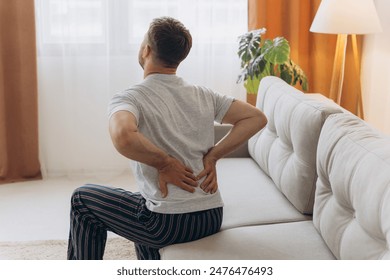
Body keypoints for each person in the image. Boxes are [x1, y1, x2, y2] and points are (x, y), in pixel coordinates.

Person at [67, 16, 267, 260]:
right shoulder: (203, 94)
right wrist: (214, 155)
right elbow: (255, 117)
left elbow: (123, 136)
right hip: (211, 215)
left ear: (147, 49)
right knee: (143, 200)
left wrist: (164, 163)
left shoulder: (129, 98)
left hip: (167, 224)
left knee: (82, 198)